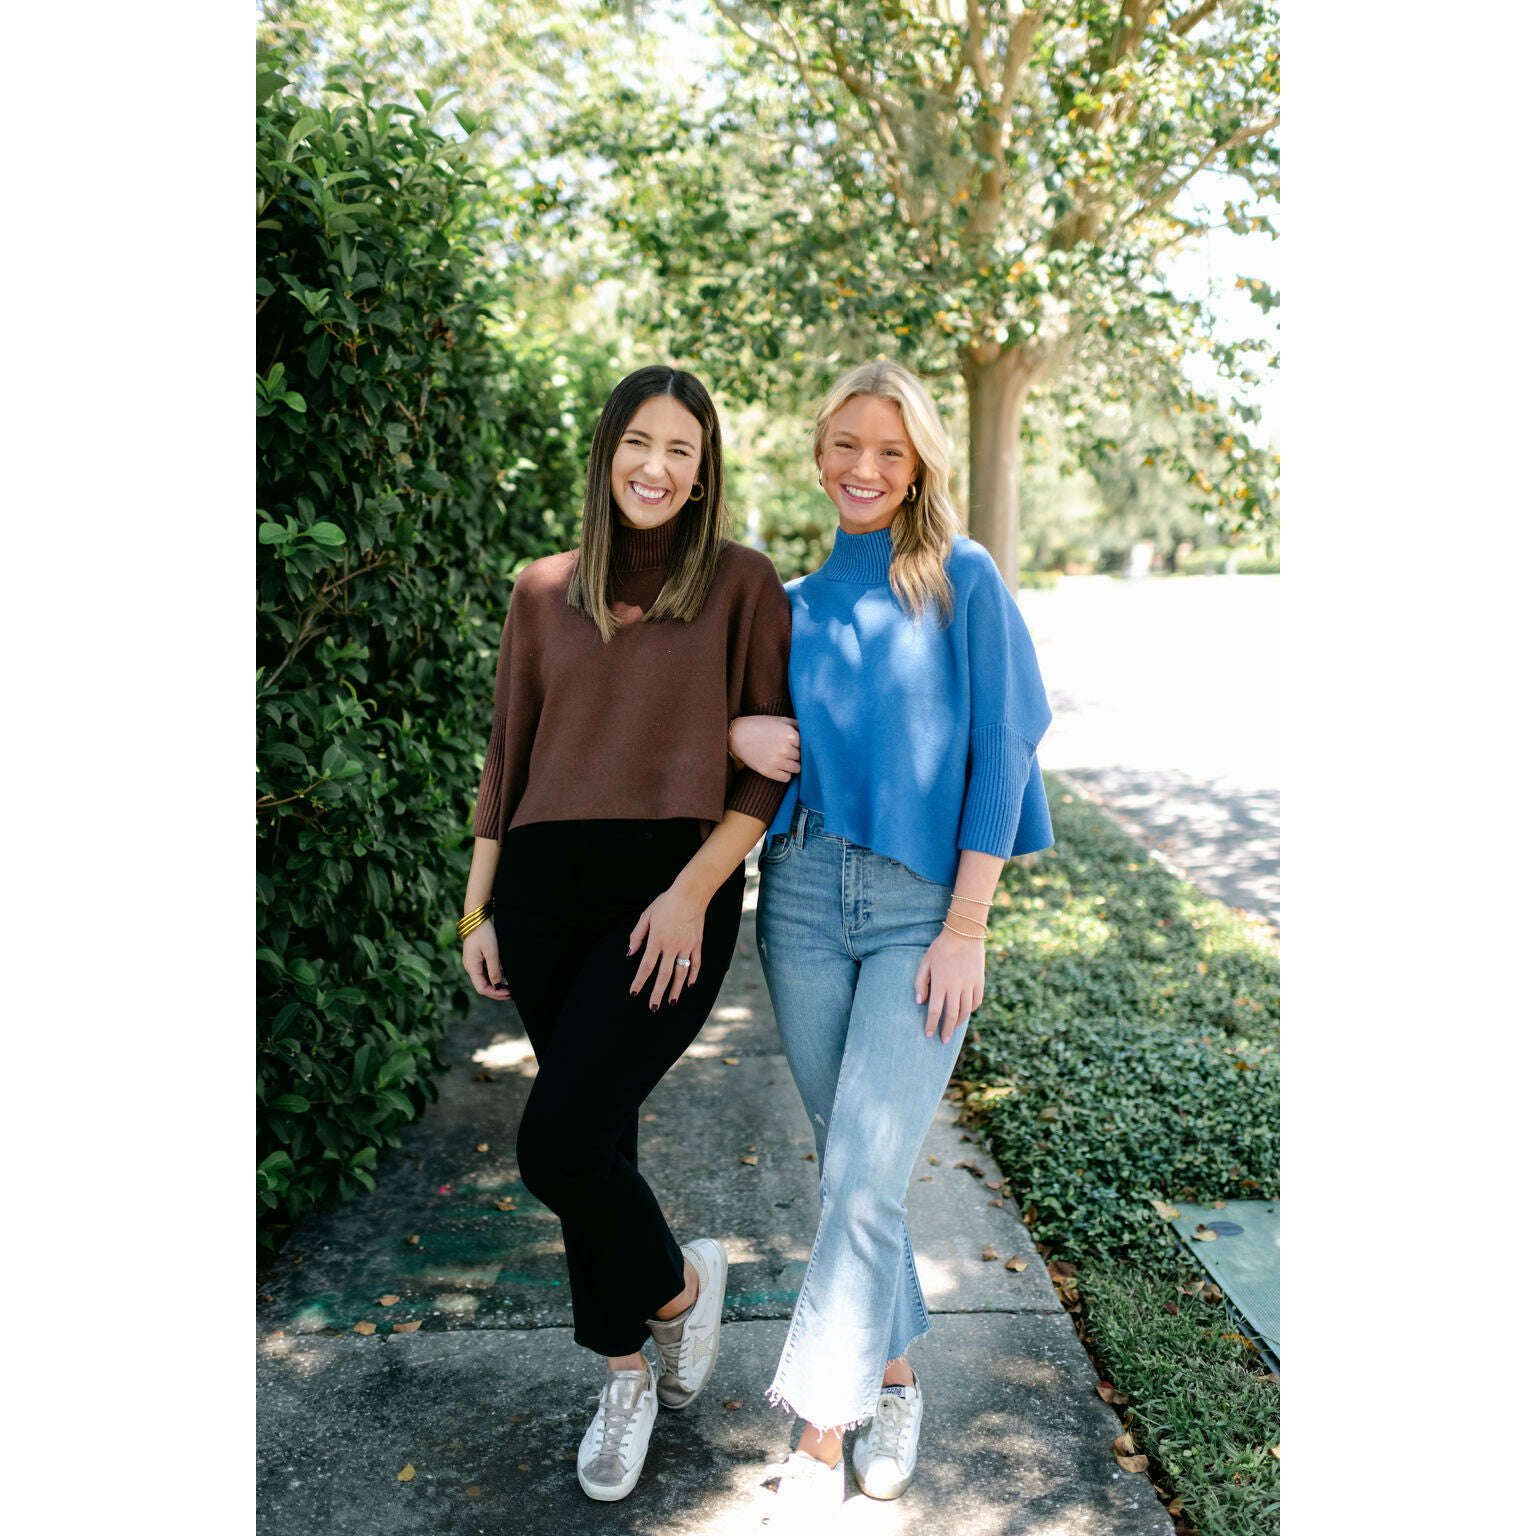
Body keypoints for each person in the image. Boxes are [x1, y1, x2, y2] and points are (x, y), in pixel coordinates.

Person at [457, 365, 794, 1503]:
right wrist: (479, 906)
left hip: (672, 887)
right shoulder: (542, 589)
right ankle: (626, 1375)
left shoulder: (742, 585)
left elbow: (769, 773)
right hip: (543, 890)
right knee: (595, 1139)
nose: (655, 467)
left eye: (680, 451)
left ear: (704, 474)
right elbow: (507, 758)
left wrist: (692, 892)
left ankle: (682, 1299)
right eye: (638, 443)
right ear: (607, 453)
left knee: (557, 1145)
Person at [732, 359, 1053, 1519]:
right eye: (845, 445)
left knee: (862, 1178)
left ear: (918, 465)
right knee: (852, 1175)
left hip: (922, 910)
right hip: (802, 900)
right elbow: (728, 728)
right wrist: (737, 728)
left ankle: (818, 1441)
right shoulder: (793, 602)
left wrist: (968, 924)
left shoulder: (962, 578)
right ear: (819, 454)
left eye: (889, 450)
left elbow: (1005, 746)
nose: (863, 468)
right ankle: (897, 1377)